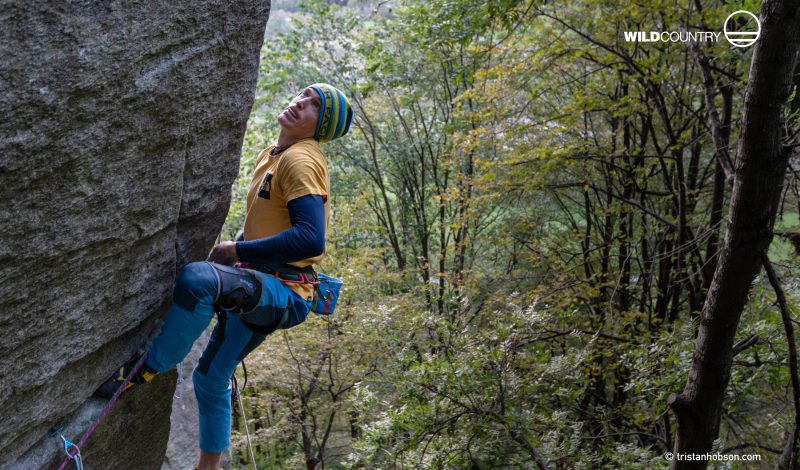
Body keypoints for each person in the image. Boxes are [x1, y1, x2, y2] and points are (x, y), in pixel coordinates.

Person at [94, 83, 353, 470]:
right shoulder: (275, 154)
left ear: (321, 126)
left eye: (314, 105)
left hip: (281, 291)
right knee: (212, 378)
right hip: (264, 284)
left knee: (199, 280)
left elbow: (309, 238)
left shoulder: (301, 160)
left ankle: (147, 368)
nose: (300, 103)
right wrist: (241, 245)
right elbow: (270, 223)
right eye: (303, 95)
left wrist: (237, 252)